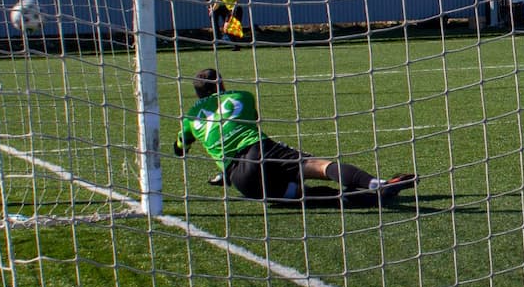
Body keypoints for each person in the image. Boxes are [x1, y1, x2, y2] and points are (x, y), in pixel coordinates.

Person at [172, 68, 414, 204]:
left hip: (242, 180)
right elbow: (252, 120)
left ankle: (361, 199)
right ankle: (377, 184)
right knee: (318, 167)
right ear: (222, 84)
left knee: (300, 195)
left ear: (197, 93)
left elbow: (179, 148)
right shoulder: (241, 96)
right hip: (259, 150)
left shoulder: (190, 118)